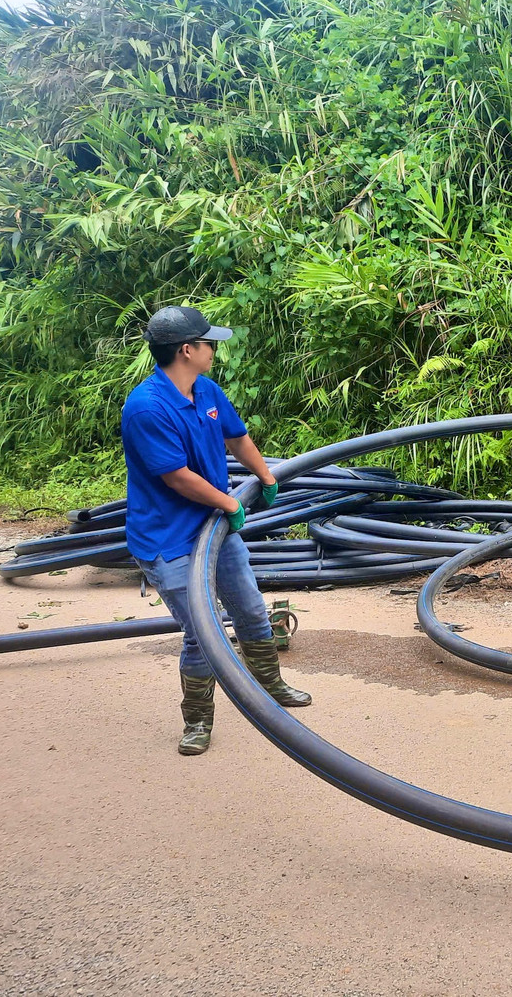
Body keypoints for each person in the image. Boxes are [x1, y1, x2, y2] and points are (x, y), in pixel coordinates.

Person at [121, 306, 310, 756]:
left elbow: (237, 437)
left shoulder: (205, 389)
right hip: (168, 538)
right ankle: (198, 721)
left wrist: (265, 477)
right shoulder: (147, 407)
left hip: (213, 529)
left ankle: (272, 688)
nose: (214, 349)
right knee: (201, 631)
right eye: (209, 343)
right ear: (187, 350)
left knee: (248, 608)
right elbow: (176, 476)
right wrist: (230, 502)